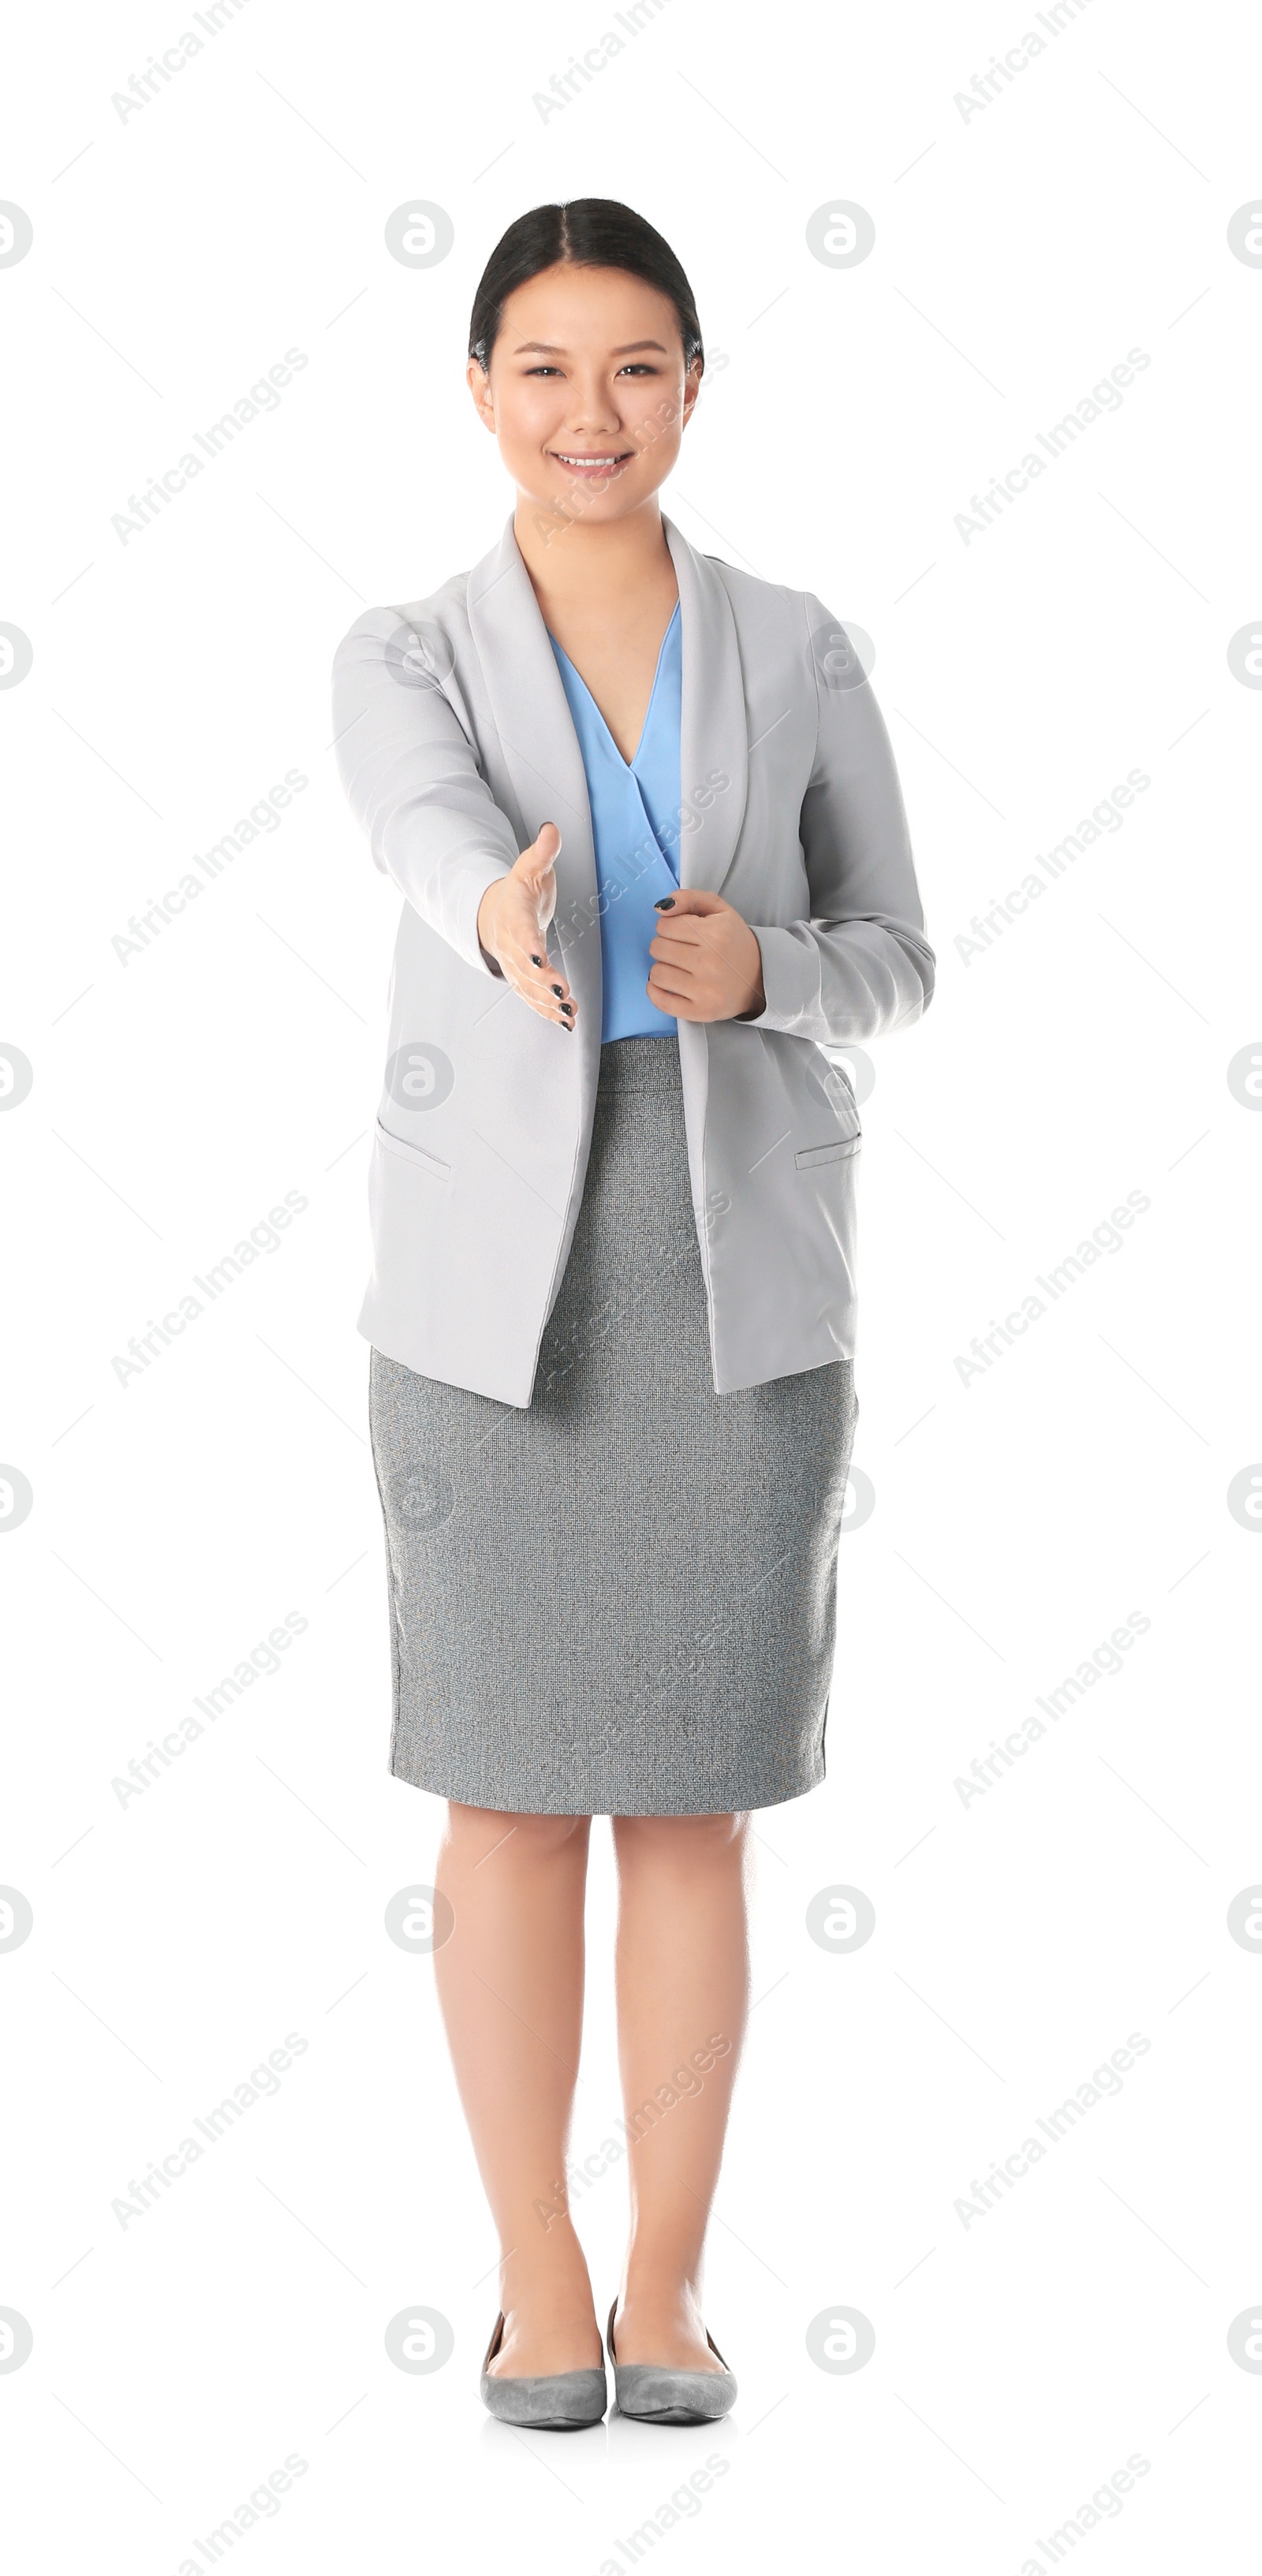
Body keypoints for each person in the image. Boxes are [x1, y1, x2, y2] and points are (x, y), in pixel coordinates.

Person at [331, 196, 935, 2430]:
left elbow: (899, 947)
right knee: (502, 1792)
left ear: (696, 385)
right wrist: (498, 917)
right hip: (493, 1288)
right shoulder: (405, 648)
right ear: (479, 387)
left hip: (734, 1278)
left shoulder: (801, 642)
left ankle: (669, 2284)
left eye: (641, 366)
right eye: (548, 367)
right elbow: (420, 826)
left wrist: (765, 974)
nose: (595, 413)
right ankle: (536, 2269)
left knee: (691, 1798)